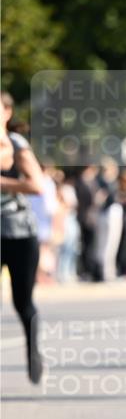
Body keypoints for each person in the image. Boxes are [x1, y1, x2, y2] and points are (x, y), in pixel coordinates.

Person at [0, 91, 45, 383]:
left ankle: (33, 351)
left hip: (19, 234)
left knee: (22, 302)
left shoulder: (17, 146)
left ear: (7, 113)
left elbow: (36, 185)